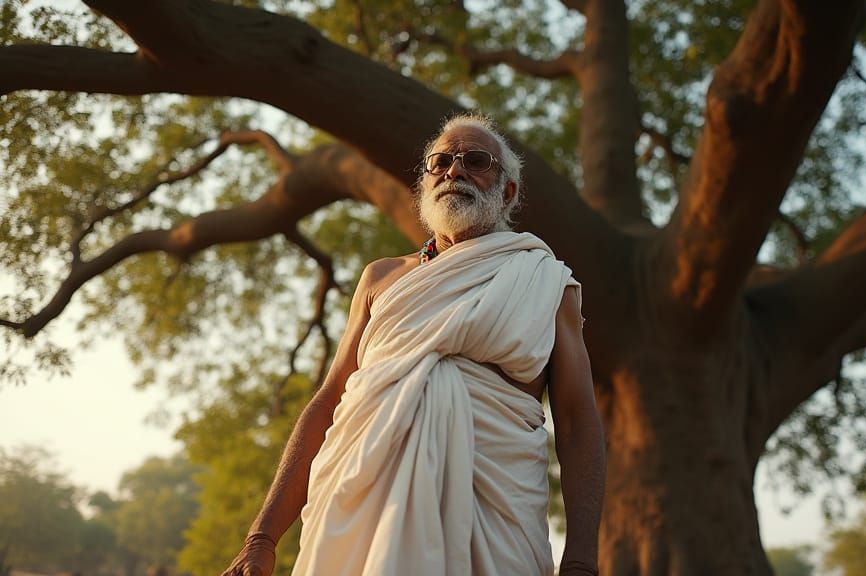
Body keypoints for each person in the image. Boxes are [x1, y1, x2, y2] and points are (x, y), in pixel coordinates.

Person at [222, 114, 605, 576]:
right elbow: (329, 403)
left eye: (475, 161)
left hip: (497, 521)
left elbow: (578, 420)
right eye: (440, 161)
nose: (454, 171)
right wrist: (261, 536)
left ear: (507, 192)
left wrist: (581, 559)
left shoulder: (544, 284)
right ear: (424, 183)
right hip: (365, 507)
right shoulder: (381, 279)